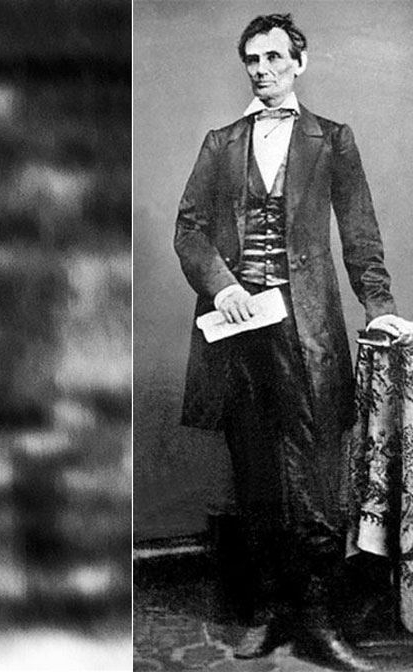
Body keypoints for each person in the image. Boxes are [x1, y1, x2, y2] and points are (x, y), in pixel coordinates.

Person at [174, 12, 413, 672]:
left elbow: (360, 235)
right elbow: (189, 230)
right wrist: (224, 287)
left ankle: (319, 622)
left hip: (307, 331)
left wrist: (381, 309)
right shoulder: (220, 143)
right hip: (237, 335)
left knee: (314, 477)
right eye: (253, 59)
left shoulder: (332, 139)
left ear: (299, 63)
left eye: (275, 57)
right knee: (256, 477)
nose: (263, 69)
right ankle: (273, 615)